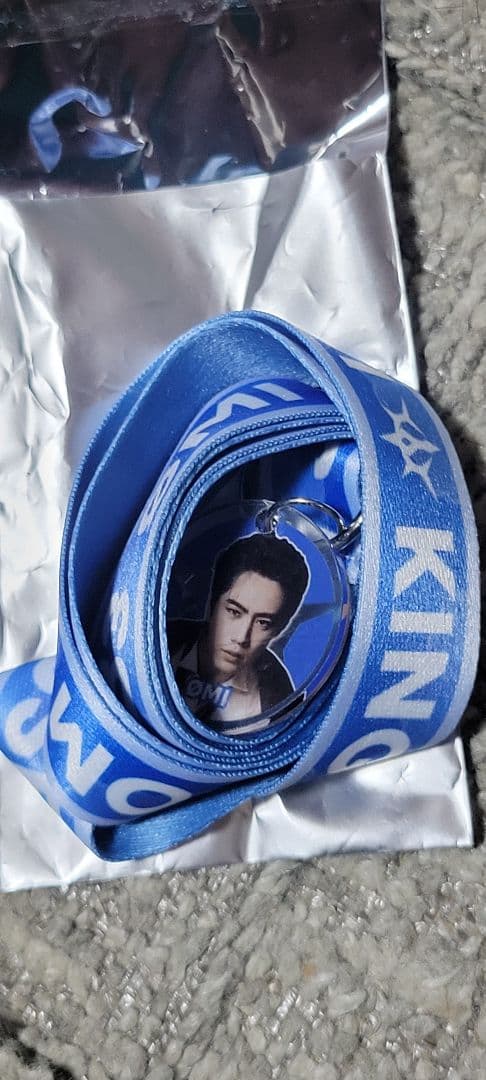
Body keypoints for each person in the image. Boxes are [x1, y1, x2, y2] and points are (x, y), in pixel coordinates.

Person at [168, 532, 309, 732]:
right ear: (212, 603)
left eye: (263, 623)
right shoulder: (160, 639)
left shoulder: (279, 702)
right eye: (234, 612)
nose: (242, 637)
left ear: (280, 629)